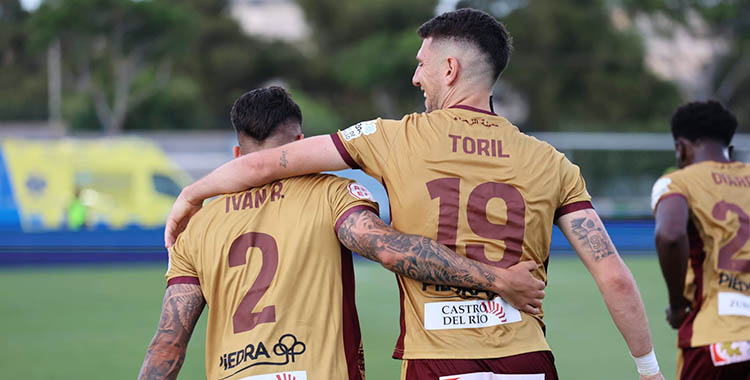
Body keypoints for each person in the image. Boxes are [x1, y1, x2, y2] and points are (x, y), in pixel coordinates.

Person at [165, 9, 664, 380]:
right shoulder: (553, 163)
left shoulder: (393, 136)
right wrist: (649, 369)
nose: (415, 76)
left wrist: (191, 195)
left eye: (422, 64)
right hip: (527, 359)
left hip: (438, 360)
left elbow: (265, 163)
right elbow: (614, 277)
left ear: (449, 70)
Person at [139, 86, 545, 380]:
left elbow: (167, 343)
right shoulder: (331, 194)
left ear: (235, 156)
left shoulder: (199, 226)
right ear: (299, 144)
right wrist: (497, 280)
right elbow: (389, 250)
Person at [652, 100, 750, 379]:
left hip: (715, 336)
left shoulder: (678, 181)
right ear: (728, 150)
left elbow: (670, 236)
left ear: (681, 148)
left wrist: (678, 305)